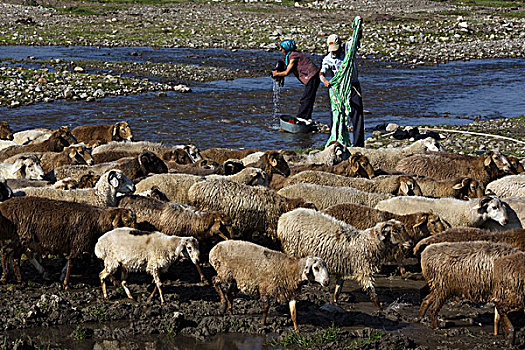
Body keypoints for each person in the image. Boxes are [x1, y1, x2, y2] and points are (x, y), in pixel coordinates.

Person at [320, 17, 364, 147]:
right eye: (332, 50)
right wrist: (324, 81)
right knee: (337, 114)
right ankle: (338, 140)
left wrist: (358, 27)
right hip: (338, 89)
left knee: (357, 115)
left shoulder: (348, 49)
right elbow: (321, 73)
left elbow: (357, 37)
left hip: (353, 86)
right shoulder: (328, 59)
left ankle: (358, 144)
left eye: (336, 49)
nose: (335, 52)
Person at [272, 39, 321, 122]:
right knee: (308, 98)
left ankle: (302, 118)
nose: (281, 50)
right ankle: (306, 117)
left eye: (282, 48)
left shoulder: (293, 57)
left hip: (312, 76)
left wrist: (276, 74)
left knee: (306, 98)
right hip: (312, 76)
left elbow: (287, 72)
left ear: (286, 48)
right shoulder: (292, 55)